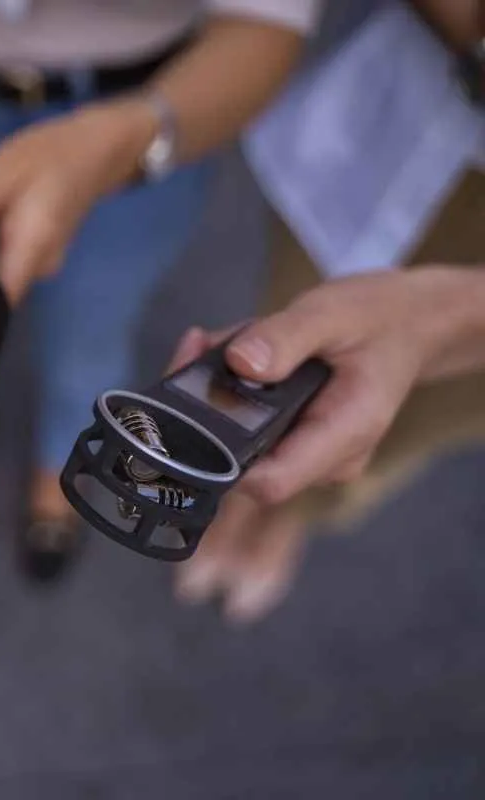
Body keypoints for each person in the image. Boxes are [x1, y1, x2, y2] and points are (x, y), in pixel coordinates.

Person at [0, 0, 322, 581]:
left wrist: (121, 142)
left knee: (87, 334)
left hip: (140, 97)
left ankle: (60, 475)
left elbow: (269, 25)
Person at [170, 0, 485, 624]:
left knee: (402, 422)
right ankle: (247, 501)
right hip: (396, 123)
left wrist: (447, 320)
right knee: (285, 353)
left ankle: (294, 515)